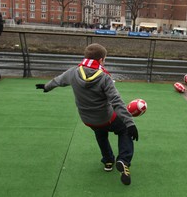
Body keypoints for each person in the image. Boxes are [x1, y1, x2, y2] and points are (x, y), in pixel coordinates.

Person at [35, 43, 138, 186]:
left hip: (87, 119)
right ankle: (124, 160)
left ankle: (108, 161)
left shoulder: (73, 72)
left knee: (100, 133)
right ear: (101, 60)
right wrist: (130, 123)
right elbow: (116, 102)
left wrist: (46, 87)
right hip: (106, 117)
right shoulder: (104, 78)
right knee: (124, 130)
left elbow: (58, 80)